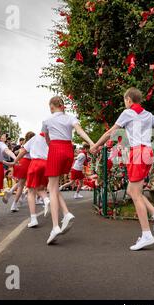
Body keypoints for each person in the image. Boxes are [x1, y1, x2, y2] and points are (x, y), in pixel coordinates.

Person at [91, 87, 154, 251]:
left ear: (129, 100)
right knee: (132, 190)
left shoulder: (127, 113)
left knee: (135, 194)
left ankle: (146, 234)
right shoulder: (147, 114)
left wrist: (95, 145)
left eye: (125, 101)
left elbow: (110, 132)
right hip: (147, 152)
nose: (125, 103)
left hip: (137, 153)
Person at [42, 96, 95, 244]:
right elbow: (80, 132)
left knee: (51, 189)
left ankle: (55, 226)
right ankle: (65, 213)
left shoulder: (47, 120)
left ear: (52, 107)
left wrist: (51, 148)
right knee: (54, 186)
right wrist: (92, 143)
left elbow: (47, 139)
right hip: (68, 151)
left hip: (55, 149)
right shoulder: (70, 117)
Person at [10, 132, 51, 228]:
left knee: (31, 191)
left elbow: (23, 152)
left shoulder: (34, 138)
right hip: (46, 164)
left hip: (35, 163)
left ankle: (33, 219)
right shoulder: (50, 140)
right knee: (40, 189)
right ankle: (46, 199)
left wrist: (14, 162)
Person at [5, 131, 35, 212]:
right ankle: (14, 204)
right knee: (23, 185)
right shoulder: (32, 145)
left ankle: (11, 191)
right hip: (27, 163)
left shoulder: (23, 144)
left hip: (20, 162)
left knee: (21, 182)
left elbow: (16, 152)